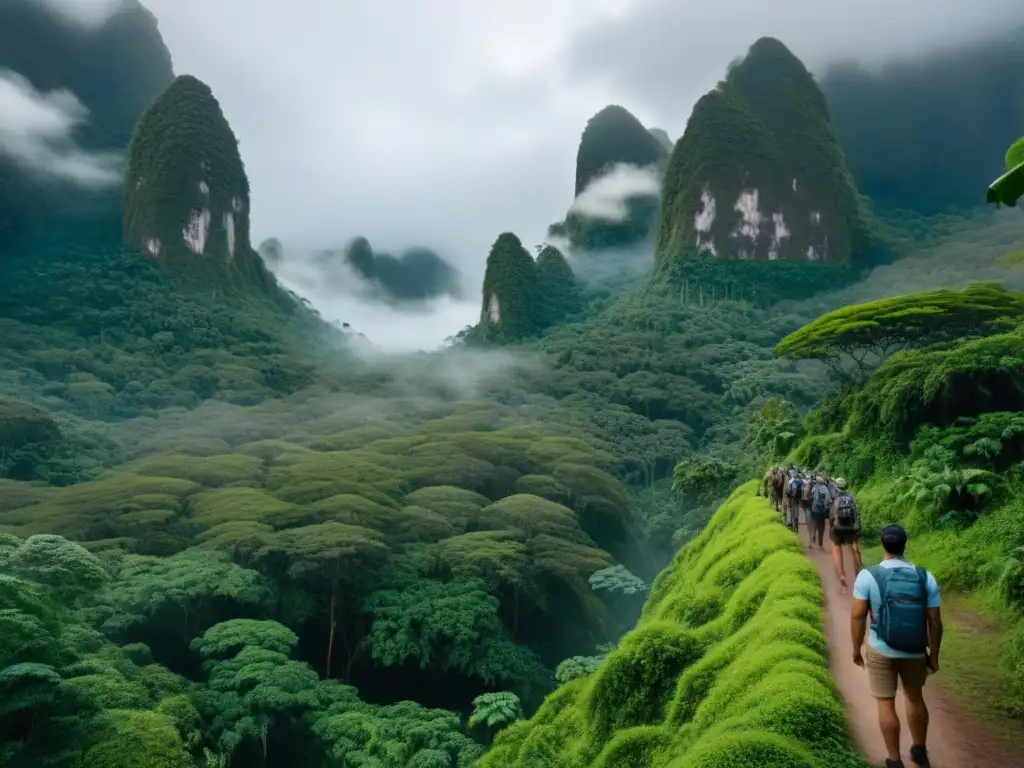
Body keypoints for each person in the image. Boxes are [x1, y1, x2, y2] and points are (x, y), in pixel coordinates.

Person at [851, 524, 942, 768]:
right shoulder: (925, 576)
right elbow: (934, 621)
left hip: (881, 649)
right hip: (915, 650)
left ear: (882, 544)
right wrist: (934, 655)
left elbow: (858, 616)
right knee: (915, 697)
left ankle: (894, 759)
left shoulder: (868, 576)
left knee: (885, 702)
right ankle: (920, 750)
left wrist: (856, 649)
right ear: (905, 545)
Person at [829, 477, 862, 589]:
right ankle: (858, 575)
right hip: (851, 528)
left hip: (837, 529)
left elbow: (831, 515)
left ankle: (842, 575)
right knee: (855, 549)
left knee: (836, 547)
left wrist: (832, 526)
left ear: (836, 486)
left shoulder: (835, 497)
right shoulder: (851, 497)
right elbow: (856, 513)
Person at [807, 474, 830, 549]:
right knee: (821, 528)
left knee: (813, 525)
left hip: (814, 509)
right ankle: (820, 543)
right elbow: (827, 499)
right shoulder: (825, 488)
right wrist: (826, 507)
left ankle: (812, 539)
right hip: (821, 510)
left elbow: (812, 497)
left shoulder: (814, 487)